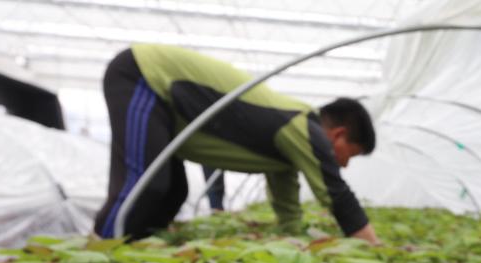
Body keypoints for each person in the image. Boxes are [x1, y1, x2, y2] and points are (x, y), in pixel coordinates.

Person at [93, 44, 380, 244]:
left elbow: (287, 206)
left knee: (173, 192)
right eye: (349, 155)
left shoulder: (288, 146)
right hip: (145, 74)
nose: (344, 164)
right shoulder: (304, 126)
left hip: (168, 107)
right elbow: (337, 195)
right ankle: (97, 257)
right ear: (338, 134)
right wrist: (375, 249)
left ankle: (132, 253)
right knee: (145, 185)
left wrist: (295, 241)